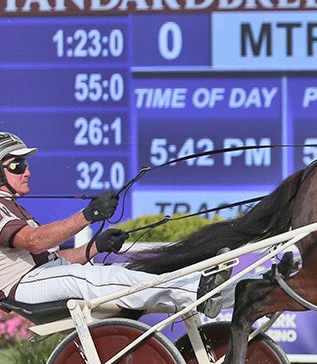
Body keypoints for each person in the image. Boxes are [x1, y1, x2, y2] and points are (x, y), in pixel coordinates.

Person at [0, 132, 228, 317]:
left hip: (41, 278)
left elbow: (56, 262)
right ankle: (198, 291)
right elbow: (35, 241)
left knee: (127, 272)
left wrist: (96, 246)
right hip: (23, 287)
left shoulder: (15, 207)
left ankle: (232, 294)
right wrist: (89, 214)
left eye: (26, 164)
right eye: (17, 165)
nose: (27, 172)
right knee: (96, 279)